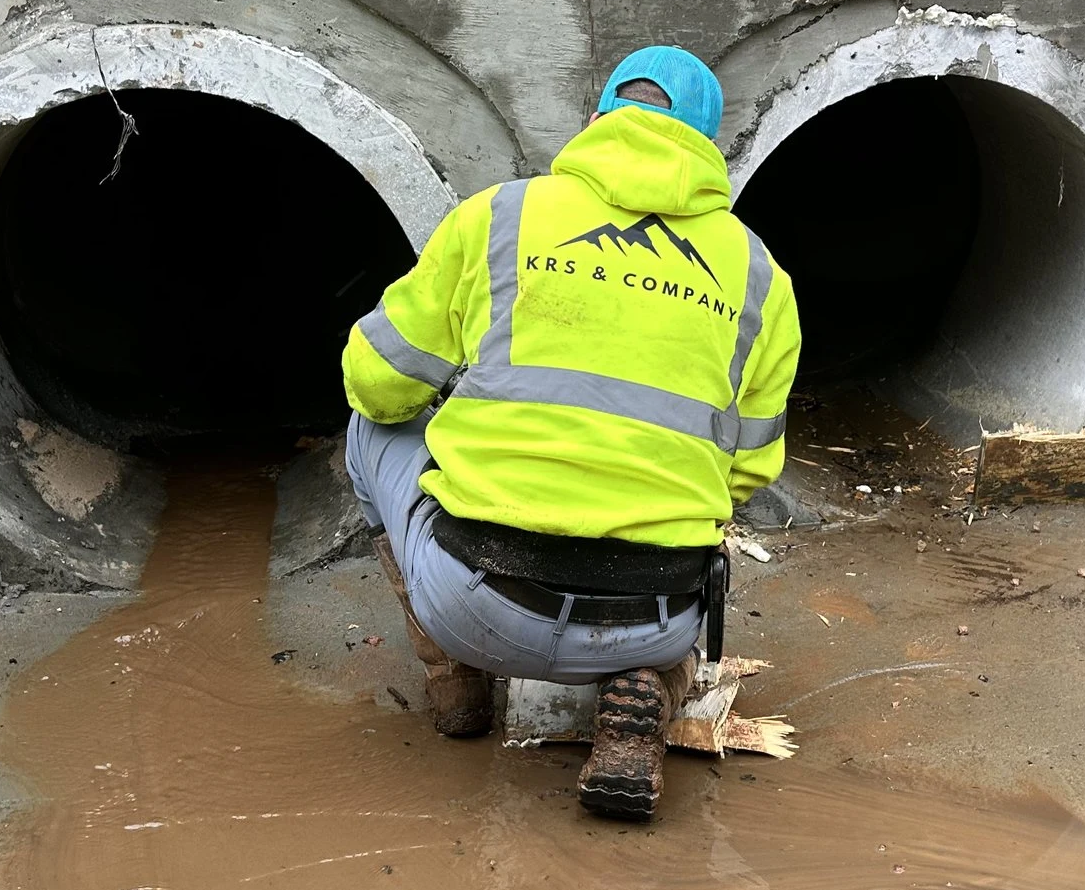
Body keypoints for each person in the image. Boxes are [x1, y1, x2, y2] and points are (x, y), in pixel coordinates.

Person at [339, 46, 800, 821]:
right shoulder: (761, 276)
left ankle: (456, 684)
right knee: (690, 556)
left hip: (479, 604)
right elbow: (747, 472)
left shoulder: (500, 215)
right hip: (653, 617)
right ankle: (649, 687)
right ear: (706, 148)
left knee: (367, 429)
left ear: (595, 120)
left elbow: (378, 382)